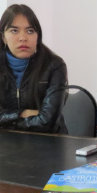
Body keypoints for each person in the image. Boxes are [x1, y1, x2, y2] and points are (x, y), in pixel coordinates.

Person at [0, 4, 68, 133]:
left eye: (30, 31)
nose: (23, 38)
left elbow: (47, 122)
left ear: (38, 36)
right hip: (5, 145)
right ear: (3, 37)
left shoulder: (54, 66)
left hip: (48, 144)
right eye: (14, 30)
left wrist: (7, 121)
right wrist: (21, 114)